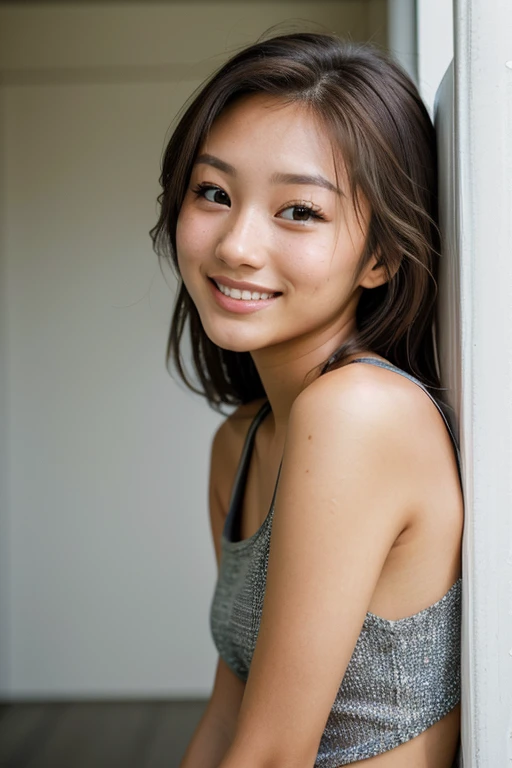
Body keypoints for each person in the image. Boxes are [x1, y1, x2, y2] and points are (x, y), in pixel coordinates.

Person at [150, 31, 463, 768]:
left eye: (299, 211)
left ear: (381, 256)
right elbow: (230, 720)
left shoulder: (358, 413)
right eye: (214, 193)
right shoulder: (240, 442)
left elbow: (269, 755)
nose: (235, 246)